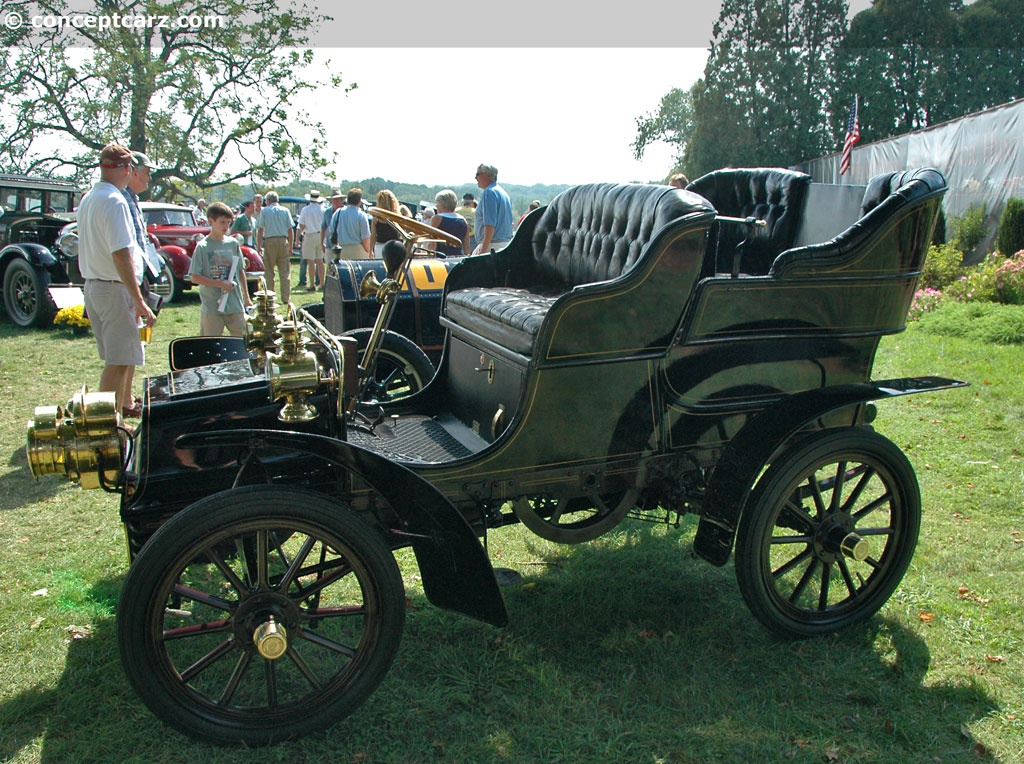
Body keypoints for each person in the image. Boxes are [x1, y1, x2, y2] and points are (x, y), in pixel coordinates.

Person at [77, 143, 156, 425]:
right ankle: (104, 427)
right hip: (113, 287)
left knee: (120, 360)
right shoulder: (114, 200)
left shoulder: (90, 198)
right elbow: (121, 253)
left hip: (96, 285)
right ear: (126, 169)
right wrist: (138, 299)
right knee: (118, 362)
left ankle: (117, 420)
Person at [120, 150, 163, 419]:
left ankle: (126, 396)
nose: (149, 177)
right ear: (132, 171)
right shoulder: (120, 200)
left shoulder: (132, 199)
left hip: (140, 274)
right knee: (129, 343)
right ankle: (123, 402)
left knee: (137, 341)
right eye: (146, 172)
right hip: (129, 279)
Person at [189, 201, 253, 336]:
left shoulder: (233, 243)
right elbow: (195, 277)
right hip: (213, 306)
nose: (226, 226)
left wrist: (246, 297)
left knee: (242, 344)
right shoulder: (202, 247)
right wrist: (220, 283)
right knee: (211, 346)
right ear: (211, 221)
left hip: (235, 304)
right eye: (222, 222)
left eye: (229, 222)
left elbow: (240, 271)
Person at [255, 190, 294, 301]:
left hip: (270, 241)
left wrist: (258, 246)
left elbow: (260, 229)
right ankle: (286, 298)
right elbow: (290, 230)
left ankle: (271, 296)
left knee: (269, 271)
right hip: (283, 241)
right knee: (285, 272)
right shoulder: (285, 210)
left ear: (267, 201)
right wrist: (290, 246)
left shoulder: (265, 211)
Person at [472, 164, 513, 254]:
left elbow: (489, 225)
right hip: (505, 244)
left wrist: (482, 252)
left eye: (478, 174)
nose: (475, 178)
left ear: (487, 175)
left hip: (491, 245)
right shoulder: (503, 193)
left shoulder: (489, 193)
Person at [327, 188, 372, 260]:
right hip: (358, 250)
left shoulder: (338, 212)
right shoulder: (361, 215)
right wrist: (369, 251)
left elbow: (332, 231)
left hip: (341, 249)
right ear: (359, 201)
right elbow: (365, 238)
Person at [296, 190, 325, 291]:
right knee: (320, 260)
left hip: (309, 235)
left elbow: (302, 225)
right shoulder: (322, 209)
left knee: (310, 261)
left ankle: (312, 284)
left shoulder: (305, 210)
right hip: (320, 235)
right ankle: (322, 283)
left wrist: (297, 238)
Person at [428, 189, 469, 257]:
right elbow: (467, 247)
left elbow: (432, 243)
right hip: (457, 258)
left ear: (442, 205)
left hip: (441, 258)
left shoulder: (437, 218)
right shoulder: (463, 220)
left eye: (437, 203)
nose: (436, 206)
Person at [369, 189, 402, 257]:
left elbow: (373, 236)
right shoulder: (397, 217)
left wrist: (370, 250)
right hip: (394, 247)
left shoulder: (376, 219)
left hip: (380, 248)